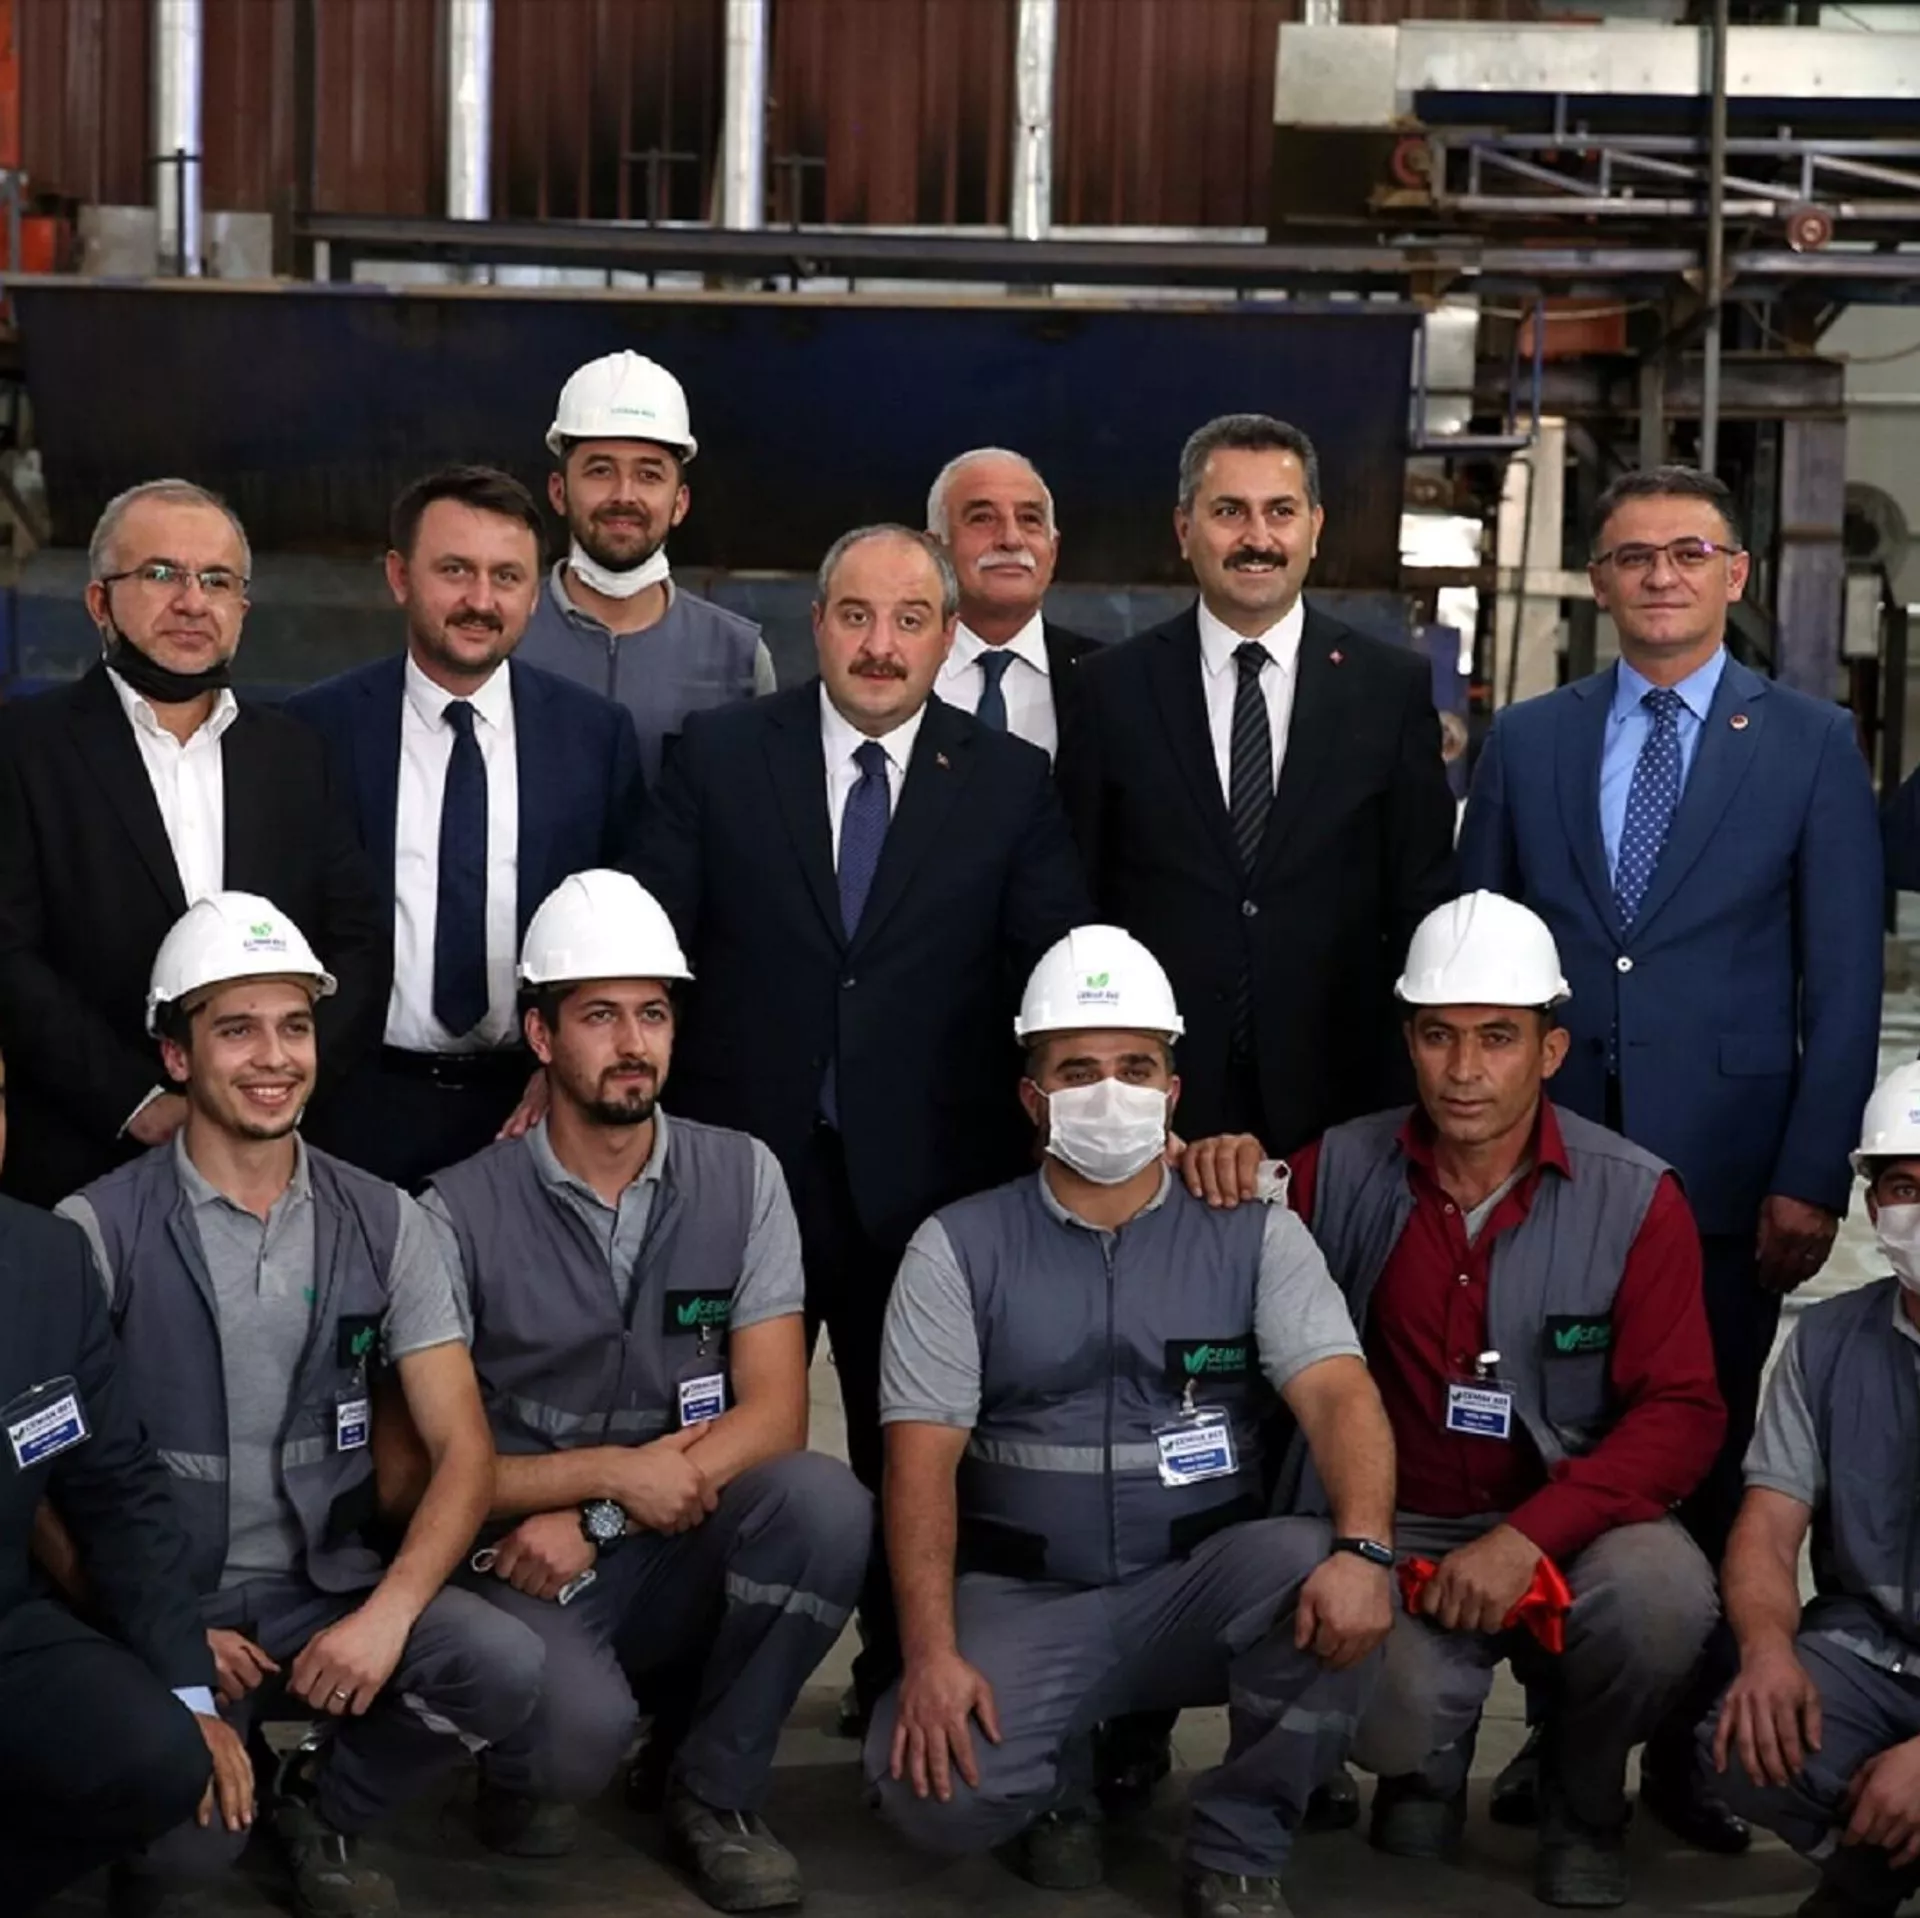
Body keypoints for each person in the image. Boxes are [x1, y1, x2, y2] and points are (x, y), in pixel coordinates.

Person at [1458, 463, 1883, 1848]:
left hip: (1727, 1177)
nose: (1660, 574)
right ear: (1598, 580)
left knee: (1697, 1456)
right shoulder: (1530, 740)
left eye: (1688, 552)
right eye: (1633, 554)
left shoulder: (1809, 742)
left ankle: (1694, 1750)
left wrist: (1810, 1174)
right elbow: (1479, 955)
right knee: (1548, 1444)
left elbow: (1841, 981)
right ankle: (1565, 1731)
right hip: (1550, 1162)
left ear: (1734, 575)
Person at [633, 523, 1091, 1725]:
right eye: (855, 615)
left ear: (947, 637)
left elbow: (1046, 970)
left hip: (931, 1183)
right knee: (721, 1442)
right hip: (743, 1181)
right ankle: (687, 1699)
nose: (880, 645)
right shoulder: (721, 755)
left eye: (908, 619)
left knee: (917, 1444)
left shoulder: (1007, 781)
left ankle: (901, 1682)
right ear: (816, 625)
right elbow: (654, 951)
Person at [1186, 892, 1723, 1907]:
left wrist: (1527, 1539)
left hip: (1566, 1524)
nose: (1465, 1069)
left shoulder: (1634, 1196)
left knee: (1661, 1598)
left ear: (1550, 1050)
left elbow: (1682, 1415)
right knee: (1384, 1692)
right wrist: (1209, 1165)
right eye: (1439, 1036)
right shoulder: (1338, 1168)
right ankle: (1423, 1764)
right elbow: (1214, 1254)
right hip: (1398, 1525)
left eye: (1497, 1038)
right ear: (1409, 1042)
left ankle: (1582, 1793)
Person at [866, 924, 1395, 1918]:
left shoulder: (1253, 1229)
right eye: (1078, 1071)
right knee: (929, 1795)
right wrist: (931, 1654)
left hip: (1197, 1585)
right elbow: (920, 1467)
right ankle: (1054, 1784)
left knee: (1324, 1572)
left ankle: (1240, 1843)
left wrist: (1365, 1547)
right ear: (1033, 1098)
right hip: (1028, 1594)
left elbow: (1339, 1394)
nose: (1110, 1093)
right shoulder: (958, 1248)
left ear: (1173, 1090)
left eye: (1135, 1068)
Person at [54, 892, 542, 1918]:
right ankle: (183, 1786)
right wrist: (157, 1632)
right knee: (183, 1863)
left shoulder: (387, 1222)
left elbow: (464, 1451)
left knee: (500, 1665)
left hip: (324, 1598)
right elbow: (40, 1482)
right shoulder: (94, 1233)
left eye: (294, 1026)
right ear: (177, 1056)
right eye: (237, 1029)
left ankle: (322, 1801)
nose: (273, 1057)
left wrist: (386, 1618)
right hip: (162, 1606)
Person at [420, 870, 870, 1913]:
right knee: (569, 1747)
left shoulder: (743, 1176)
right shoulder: (452, 1214)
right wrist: (599, 1484)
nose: (633, 1043)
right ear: (541, 1035)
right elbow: (421, 1474)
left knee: (823, 1506)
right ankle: (528, 1758)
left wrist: (607, 1511)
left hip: (666, 1532)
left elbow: (775, 1413)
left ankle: (714, 1789)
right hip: (520, 1561)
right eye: (600, 1015)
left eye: (653, 1014)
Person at [1055, 412, 1456, 1150]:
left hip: (1341, 1102)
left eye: (1281, 511)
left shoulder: (1390, 689)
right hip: (1155, 1101)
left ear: (1316, 527)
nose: (1258, 538)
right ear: (1184, 529)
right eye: (1229, 512)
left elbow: (1420, 901)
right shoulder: (1109, 689)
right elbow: (1078, 902)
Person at [0, 477, 388, 1209]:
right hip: (84, 1160)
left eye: (216, 580)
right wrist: (138, 1102)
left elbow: (358, 944)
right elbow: (9, 958)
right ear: (99, 602)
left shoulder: (297, 755)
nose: (191, 601)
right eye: (160, 574)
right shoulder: (23, 749)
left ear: (242, 608)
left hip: (275, 1162)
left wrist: (279, 1095)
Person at [288, 465, 647, 1190]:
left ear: (534, 594)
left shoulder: (595, 737)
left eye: (507, 577)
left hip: (533, 1111)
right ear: (399, 576)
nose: (481, 601)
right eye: (455, 570)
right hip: (353, 1109)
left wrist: (565, 1068)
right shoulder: (313, 731)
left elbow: (619, 933)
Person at [1, 1040, 253, 1912]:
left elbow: (119, 1490)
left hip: (7, 1628)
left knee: (162, 1755)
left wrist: (189, 1693)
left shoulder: (46, 1260)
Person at [1702, 1061, 1920, 1918]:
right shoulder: (1830, 1340)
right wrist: (1765, 1653)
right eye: (1904, 1187)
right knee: (1741, 1739)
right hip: (1874, 1653)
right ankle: (1874, 1874)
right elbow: (1766, 1528)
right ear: (1873, 1206)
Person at [517, 350, 772, 785]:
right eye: (600, 471)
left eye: (649, 475)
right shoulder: (504, 635)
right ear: (558, 492)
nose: (624, 495)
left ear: (680, 502)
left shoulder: (740, 659)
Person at [925, 446, 1101, 757]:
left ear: (1053, 550)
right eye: (982, 518)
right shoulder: (893, 669)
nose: (1011, 539)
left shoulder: (1112, 680)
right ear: (935, 549)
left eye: (1029, 519)